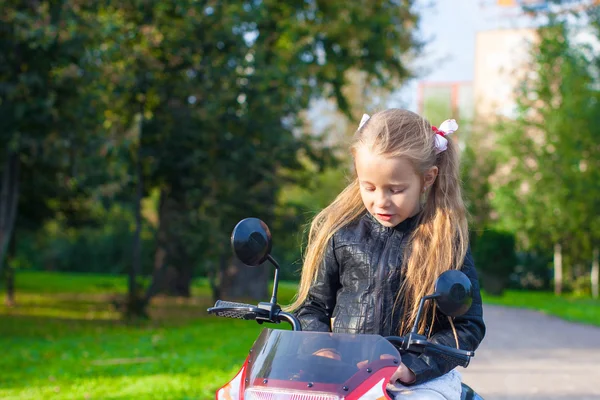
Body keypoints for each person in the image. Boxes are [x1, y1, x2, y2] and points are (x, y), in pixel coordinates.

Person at [287, 109, 486, 400]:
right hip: (342, 373)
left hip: (416, 381)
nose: (381, 201)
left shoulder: (444, 242)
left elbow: (466, 326)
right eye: (369, 187)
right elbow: (312, 306)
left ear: (428, 178)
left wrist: (412, 367)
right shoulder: (341, 234)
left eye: (395, 189)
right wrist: (321, 346)